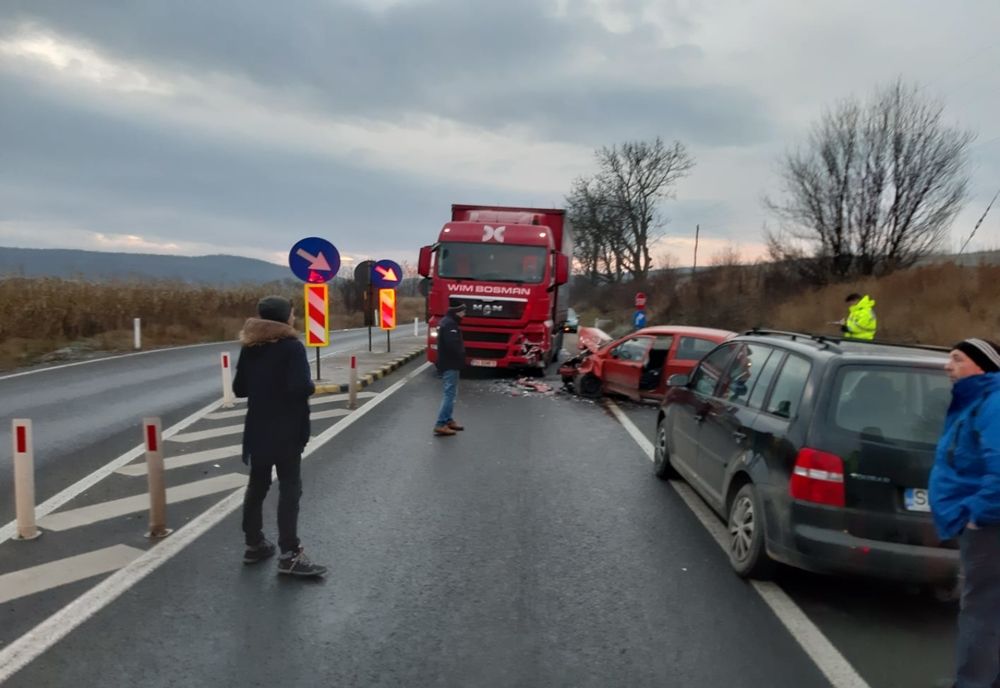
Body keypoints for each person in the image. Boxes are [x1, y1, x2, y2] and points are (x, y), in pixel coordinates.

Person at [233, 295, 326, 577]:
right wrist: (309, 386)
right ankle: (289, 554)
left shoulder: (250, 347)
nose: (294, 318)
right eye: (292, 314)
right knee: (289, 488)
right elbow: (300, 387)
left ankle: (254, 544)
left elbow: (239, 389)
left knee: (257, 486)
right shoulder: (291, 347)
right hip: (287, 429)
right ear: (285, 317)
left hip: (258, 428)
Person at [929, 338, 1000, 688]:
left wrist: (979, 515)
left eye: (957, 359)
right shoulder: (978, 400)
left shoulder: (993, 402)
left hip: (990, 526)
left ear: (983, 366)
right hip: (985, 522)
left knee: (980, 611)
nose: (948, 366)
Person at [434, 304, 467, 436]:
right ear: (457, 312)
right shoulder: (450, 324)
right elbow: (452, 345)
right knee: (449, 394)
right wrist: (462, 356)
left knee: (451, 393)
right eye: (463, 312)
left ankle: (448, 419)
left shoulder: (447, 321)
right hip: (450, 363)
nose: (464, 315)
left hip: (448, 362)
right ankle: (441, 423)